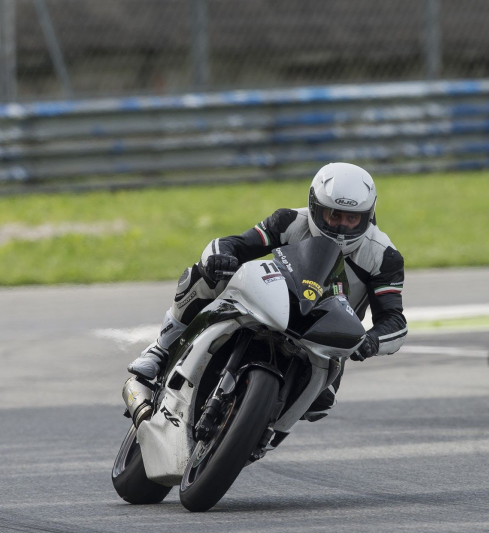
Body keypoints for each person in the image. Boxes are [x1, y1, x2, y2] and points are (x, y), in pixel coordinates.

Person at [127, 162, 407, 418]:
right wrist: (220, 257)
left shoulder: (383, 256)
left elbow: (394, 319)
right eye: (333, 215)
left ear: (368, 216)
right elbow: (234, 244)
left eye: (352, 219)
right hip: (274, 304)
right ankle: (161, 349)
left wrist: (372, 341)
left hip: (325, 336)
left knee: (320, 402)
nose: (342, 226)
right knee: (205, 275)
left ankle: (264, 432)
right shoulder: (290, 221)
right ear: (315, 207)